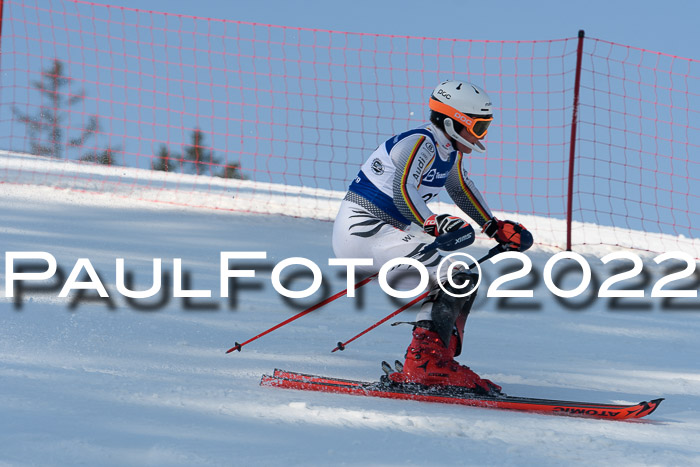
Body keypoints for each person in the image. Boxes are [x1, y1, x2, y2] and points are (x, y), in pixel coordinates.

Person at [332, 79, 532, 394]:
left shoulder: (450, 150)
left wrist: (493, 227)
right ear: (453, 123)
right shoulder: (420, 141)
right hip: (365, 230)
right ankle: (426, 364)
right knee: (455, 275)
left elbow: (460, 188)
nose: (482, 136)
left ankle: (436, 361)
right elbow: (402, 189)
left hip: (388, 234)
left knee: (462, 275)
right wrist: (432, 223)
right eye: (478, 127)